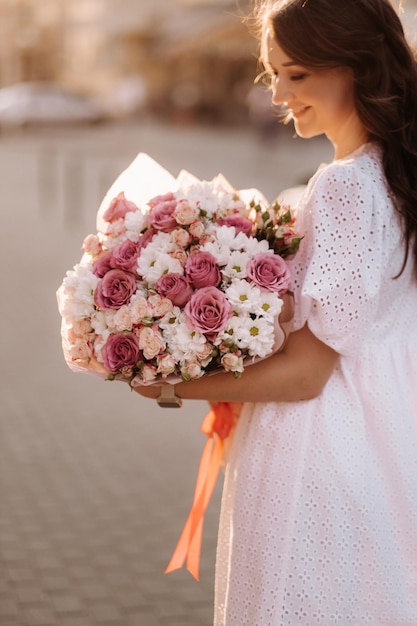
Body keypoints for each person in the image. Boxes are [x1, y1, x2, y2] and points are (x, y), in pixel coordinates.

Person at [136, 0, 417, 623]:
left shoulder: (346, 184)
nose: (279, 94)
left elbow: (306, 373)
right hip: (392, 438)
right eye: (274, 74)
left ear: (355, 67)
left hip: (322, 454)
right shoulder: (397, 174)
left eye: (298, 74)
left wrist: (170, 385)